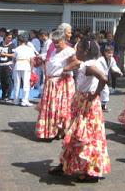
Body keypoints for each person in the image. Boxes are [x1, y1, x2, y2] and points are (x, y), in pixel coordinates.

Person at [48, 36, 110, 182]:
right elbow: (76, 64)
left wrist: (95, 94)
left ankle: (89, 170)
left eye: (79, 49)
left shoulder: (89, 66)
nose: (76, 51)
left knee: (84, 136)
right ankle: (66, 164)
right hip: (82, 102)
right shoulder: (87, 63)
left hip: (86, 104)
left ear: (86, 51)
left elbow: (103, 78)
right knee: (78, 135)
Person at [35, 29, 77, 140]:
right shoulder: (53, 50)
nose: (56, 44)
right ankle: (52, 130)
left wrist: (65, 69)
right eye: (54, 42)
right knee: (52, 108)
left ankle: (62, 130)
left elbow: (77, 62)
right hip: (51, 83)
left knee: (61, 108)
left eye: (58, 42)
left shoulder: (69, 51)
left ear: (64, 40)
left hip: (62, 83)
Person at [12, 35, 35, 107]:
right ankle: (24, 101)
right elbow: (32, 60)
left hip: (17, 65)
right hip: (26, 65)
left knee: (17, 83)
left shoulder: (17, 49)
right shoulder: (29, 49)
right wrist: (31, 69)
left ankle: (16, 100)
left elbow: (14, 59)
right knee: (26, 84)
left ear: (19, 41)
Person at [98, 45, 122, 112]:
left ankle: (103, 106)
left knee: (105, 91)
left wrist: (119, 72)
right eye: (108, 53)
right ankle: (99, 105)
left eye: (111, 53)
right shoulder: (100, 60)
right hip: (98, 76)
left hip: (104, 77)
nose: (110, 55)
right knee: (99, 91)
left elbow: (114, 67)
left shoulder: (112, 59)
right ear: (105, 53)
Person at [0, 31, 15, 102]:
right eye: (8, 38)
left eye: (11, 38)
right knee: (2, 81)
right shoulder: (0, 44)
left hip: (8, 64)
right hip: (0, 64)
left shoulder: (12, 45)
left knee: (8, 81)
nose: (9, 39)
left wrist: (5, 55)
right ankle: (3, 96)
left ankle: (8, 96)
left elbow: (13, 55)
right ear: (5, 37)